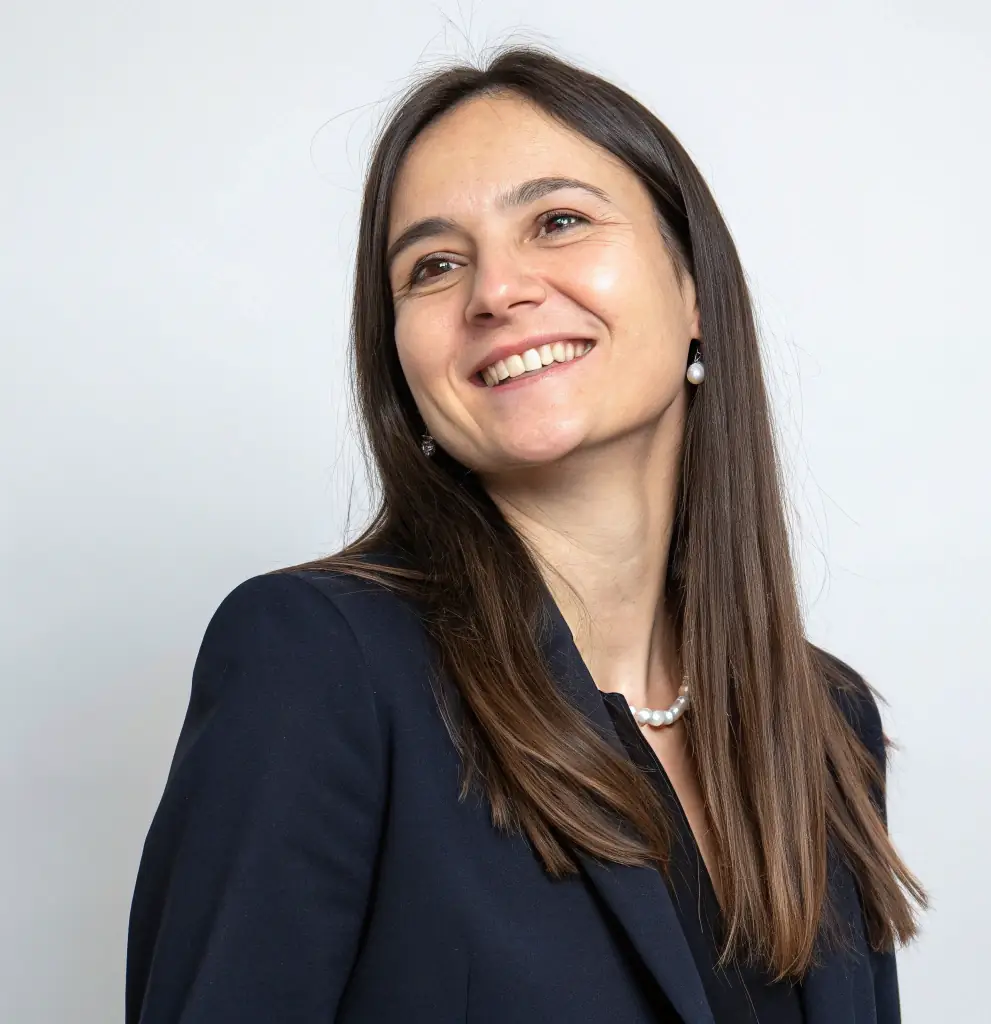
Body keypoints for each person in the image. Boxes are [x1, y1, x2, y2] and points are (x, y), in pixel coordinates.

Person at [125, 45, 926, 1024]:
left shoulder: (823, 721)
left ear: (694, 294)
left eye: (557, 221)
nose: (495, 290)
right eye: (434, 264)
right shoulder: (317, 664)